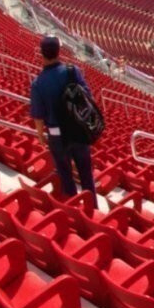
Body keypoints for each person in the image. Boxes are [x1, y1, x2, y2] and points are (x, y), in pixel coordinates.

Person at [28, 36, 97, 203]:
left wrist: (40, 135)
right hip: (77, 130)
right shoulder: (72, 71)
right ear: (58, 52)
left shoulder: (38, 83)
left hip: (57, 136)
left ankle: (74, 211)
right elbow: (87, 95)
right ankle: (92, 209)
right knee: (86, 175)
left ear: (41, 53)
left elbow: (38, 116)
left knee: (66, 176)